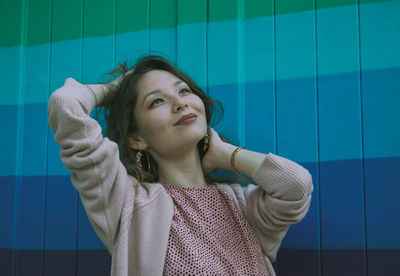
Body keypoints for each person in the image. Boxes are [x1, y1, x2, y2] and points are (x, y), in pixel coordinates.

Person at [47, 55, 313, 276]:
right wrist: (113, 89)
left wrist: (225, 154)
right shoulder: (127, 204)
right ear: (136, 138)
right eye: (157, 101)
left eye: (183, 90)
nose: (180, 102)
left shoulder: (243, 205)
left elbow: (297, 186)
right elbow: (65, 105)